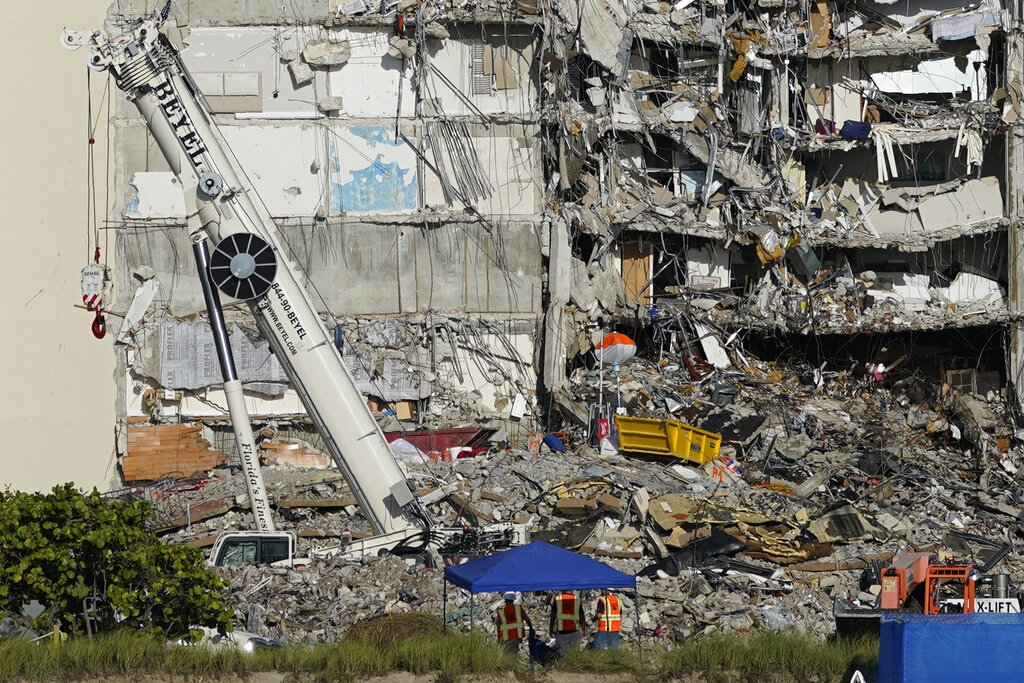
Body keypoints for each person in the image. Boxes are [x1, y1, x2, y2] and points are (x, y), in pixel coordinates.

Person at [549, 590, 585, 654]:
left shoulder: (557, 599)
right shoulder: (577, 600)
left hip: (562, 631)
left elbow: (553, 615)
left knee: (561, 653)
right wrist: (583, 629)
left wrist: (551, 628)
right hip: (575, 631)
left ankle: (563, 663)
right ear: (573, 590)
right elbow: (582, 616)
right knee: (575, 654)